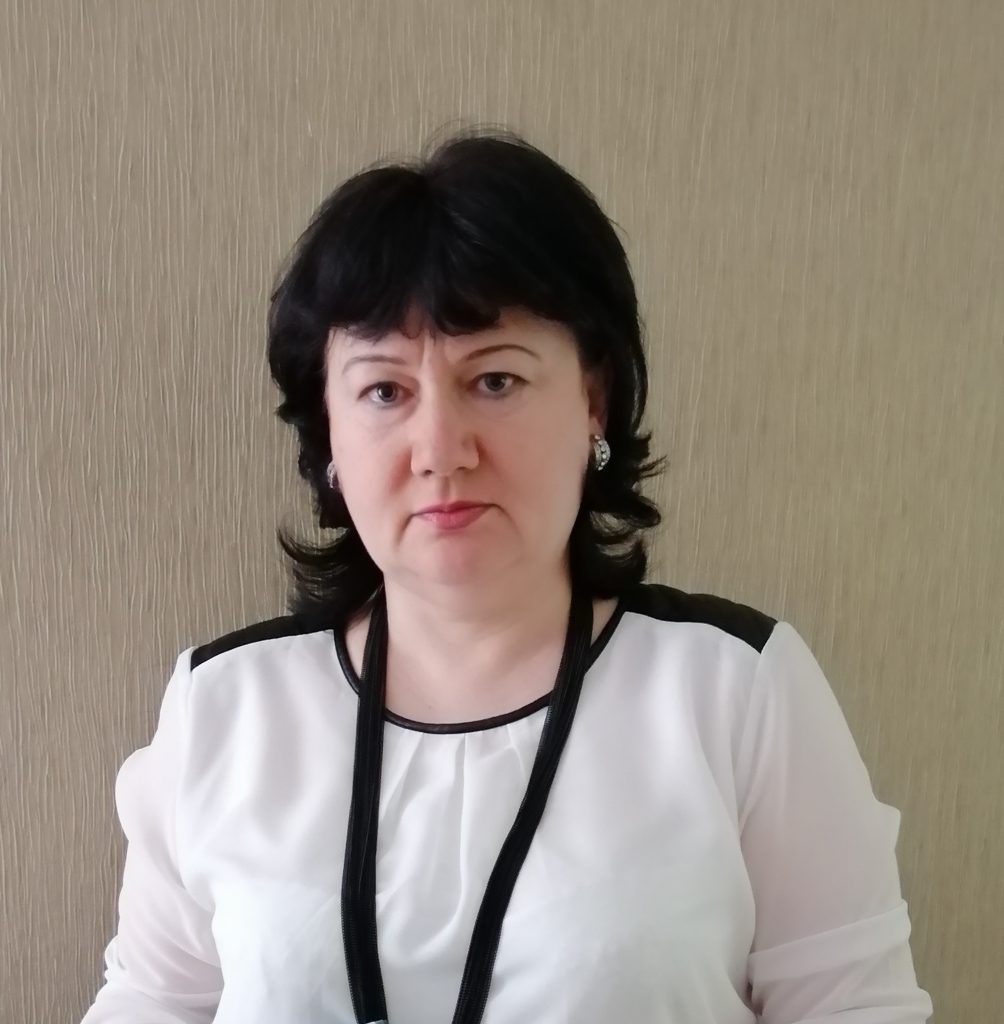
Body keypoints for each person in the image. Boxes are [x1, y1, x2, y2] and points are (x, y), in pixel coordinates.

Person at [80, 126, 933, 1024]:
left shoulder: (737, 690)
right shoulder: (222, 707)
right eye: (384, 391)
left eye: (494, 381)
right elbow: (152, 1003)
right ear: (328, 431)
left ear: (594, 398)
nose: (440, 450)